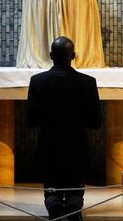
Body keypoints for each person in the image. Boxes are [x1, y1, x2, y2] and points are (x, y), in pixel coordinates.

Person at [26, 36, 102, 221]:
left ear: (51, 55)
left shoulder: (37, 81)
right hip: (78, 149)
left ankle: (55, 206)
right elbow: (95, 123)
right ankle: (74, 207)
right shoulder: (88, 83)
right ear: (73, 55)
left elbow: (30, 122)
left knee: (51, 187)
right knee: (76, 187)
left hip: (48, 149)